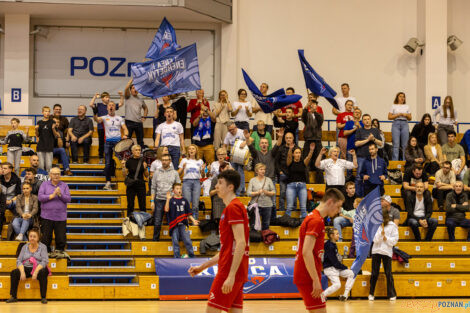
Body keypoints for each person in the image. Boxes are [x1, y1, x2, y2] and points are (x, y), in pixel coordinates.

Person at [188, 170, 249, 313]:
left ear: (230, 187)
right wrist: (202, 267)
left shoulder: (233, 208)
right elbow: (227, 250)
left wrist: (231, 275)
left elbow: (241, 243)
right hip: (234, 268)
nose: (216, 186)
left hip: (229, 270)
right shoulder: (233, 207)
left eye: (220, 183)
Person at [293, 188, 345, 312]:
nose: (338, 211)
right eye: (338, 207)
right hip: (307, 275)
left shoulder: (315, 217)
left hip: (308, 273)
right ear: (330, 202)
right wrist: (315, 280)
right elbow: (306, 252)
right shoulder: (316, 220)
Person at [6, 227, 49, 304]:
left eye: (34, 236)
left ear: (38, 238)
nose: (32, 238)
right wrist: (22, 272)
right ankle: (13, 296)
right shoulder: (24, 247)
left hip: (38, 268)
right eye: (30, 236)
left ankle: (43, 297)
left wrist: (36, 272)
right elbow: (19, 260)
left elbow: (45, 261)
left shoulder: (43, 247)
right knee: (14, 272)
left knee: (43, 272)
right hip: (26, 268)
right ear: (28, 237)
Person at [93, 102, 129, 191]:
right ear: (107, 108)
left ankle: (127, 179)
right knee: (108, 163)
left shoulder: (119, 118)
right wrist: (94, 113)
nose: (111, 106)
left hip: (118, 143)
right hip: (108, 142)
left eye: (113, 105)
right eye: (109, 105)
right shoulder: (105, 118)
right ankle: (108, 182)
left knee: (123, 160)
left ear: (115, 108)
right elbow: (97, 120)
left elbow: (125, 128)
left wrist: (126, 135)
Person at [38, 167, 71, 258]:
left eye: (58, 174)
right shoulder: (44, 185)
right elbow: (40, 197)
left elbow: (68, 199)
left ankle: (60, 252)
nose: (56, 175)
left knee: (60, 237)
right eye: (54, 174)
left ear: (60, 175)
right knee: (46, 237)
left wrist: (60, 194)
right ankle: (46, 252)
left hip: (60, 216)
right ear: (50, 175)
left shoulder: (64, 185)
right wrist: (52, 195)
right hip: (46, 216)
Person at [368, 206, 398, 301]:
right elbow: (374, 239)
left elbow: (395, 240)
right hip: (376, 251)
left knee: (388, 273)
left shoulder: (392, 225)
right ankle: (371, 293)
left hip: (387, 251)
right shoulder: (375, 225)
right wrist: (381, 235)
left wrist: (387, 239)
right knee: (374, 273)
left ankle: (392, 294)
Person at [150, 154, 181, 241]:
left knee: (174, 222)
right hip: (159, 199)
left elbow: (178, 187)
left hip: (171, 200)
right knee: (157, 222)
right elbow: (153, 187)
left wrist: (176, 198)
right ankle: (155, 241)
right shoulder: (156, 172)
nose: (164, 162)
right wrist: (152, 201)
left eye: (166, 160)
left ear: (170, 161)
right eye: (163, 160)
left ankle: (176, 240)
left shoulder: (174, 173)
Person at [165, 183, 199, 258]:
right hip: (174, 225)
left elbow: (188, 213)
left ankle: (192, 257)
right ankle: (177, 258)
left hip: (183, 224)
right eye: (177, 189)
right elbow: (166, 209)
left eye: (180, 188)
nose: (179, 190)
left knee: (188, 241)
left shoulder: (184, 200)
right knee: (175, 242)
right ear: (173, 190)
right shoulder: (171, 200)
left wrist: (193, 220)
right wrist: (167, 199)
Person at [89, 91, 124, 163]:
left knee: (114, 145)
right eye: (106, 97)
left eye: (108, 97)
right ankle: (101, 158)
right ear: (102, 98)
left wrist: (121, 96)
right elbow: (91, 104)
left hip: (111, 128)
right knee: (101, 143)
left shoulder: (112, 106)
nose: (108, 98)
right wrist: (95, 97)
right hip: (101, 127)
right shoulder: (99, 105)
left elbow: (121, 104)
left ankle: (116, 158)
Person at [322, 228, 356, 301]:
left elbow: (336, 262)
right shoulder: (329, 246)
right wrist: (346, 267)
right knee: (337, 285)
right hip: (329, 268)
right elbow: (335, 263)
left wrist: (345, 268)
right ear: (331, 235)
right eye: (337, 234)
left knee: (352, 274)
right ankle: (322, 295)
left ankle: (344, 296)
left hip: (336, 268)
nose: (338, 235)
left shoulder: (333, 244)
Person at [354, 114, 383, 196]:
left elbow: (381, 143)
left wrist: (373, 139)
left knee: (373, 177)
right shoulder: (359, 130)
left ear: (371, 120)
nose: (367, 121)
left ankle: (372, 196)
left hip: (373, 158)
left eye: (368, 119)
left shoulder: (375, 131)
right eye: (365, 119)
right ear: (362, 121)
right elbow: (356, 143)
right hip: (362, 157)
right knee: (359, 177)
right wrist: (368, 140)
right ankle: (358, 197)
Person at [286, 144, 315, 219]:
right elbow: (289, 157)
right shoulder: (290, 162)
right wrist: (290, 149)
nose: (298, 154)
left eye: (299, 153)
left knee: (303, 207)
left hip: (302, 186)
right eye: (296, 153)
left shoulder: (303, 162)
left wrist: (311, 150)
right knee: (289, 206)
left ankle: (305, 224)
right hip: (291, 186)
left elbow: (309, 157)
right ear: (293, 154)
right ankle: (287, 221)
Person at [274, 129, 299, 212]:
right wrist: (280, 172)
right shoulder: (281, 148)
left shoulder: (297, 149)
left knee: (294, 194)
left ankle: (294, 210)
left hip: (293, 175)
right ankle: (281, 210)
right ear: (285, 139)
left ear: (293, 139)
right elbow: (276, 162)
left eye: (290, 138)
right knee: (282, 193)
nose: (288, 139)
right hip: (283, 174)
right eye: (287, 138)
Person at [178, 145, 205, 220]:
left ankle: (195, 221)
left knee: (195, 204)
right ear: (188, 151)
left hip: (197, 182)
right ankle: (185, 221)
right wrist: (183, 168)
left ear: (196, 151)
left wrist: (203, 170)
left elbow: (202, 175)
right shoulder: (184, 160)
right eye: (189, 149)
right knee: (186, 203)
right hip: (186, 182)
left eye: (193, 149)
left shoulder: (200, 161)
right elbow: (179, 173)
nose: (191, 150)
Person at [247, 163, 276, 230]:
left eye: (264, 169)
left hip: (267, 205)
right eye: (261, 169)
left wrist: (267, 192)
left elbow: (274, 192)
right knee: (253, 225)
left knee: (266, 225)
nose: (263, 171)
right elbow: (248, 193)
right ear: (257, 171)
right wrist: (257, 192)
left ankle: (265, 239)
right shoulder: (252, 180)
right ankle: (256, 239)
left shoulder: (268, 180)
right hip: (255, 205)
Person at [122, 145, 148, 217]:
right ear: (132, 151)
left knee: (142, 204)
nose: (138, 151)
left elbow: (146, 175)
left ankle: (143, 220)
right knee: (130, 204)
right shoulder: (129, 161)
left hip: (141, 184)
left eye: (139, 150)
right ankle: (129, 221)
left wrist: (145, 168)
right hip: (131, 184)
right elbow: (124, 175)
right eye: (136, 150)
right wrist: (123, 167)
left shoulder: (143, 160)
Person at [301, 99, 324, 180]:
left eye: (314, 104)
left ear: (317, 106)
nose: (313, 106)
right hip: (308, 140)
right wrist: (305, 108)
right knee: (306, 162)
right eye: (311, 104)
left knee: (319, 162)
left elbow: (320, 122)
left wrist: (315, 112)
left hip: (317, 140)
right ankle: (306, 182)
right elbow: (303, 116)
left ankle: (320, 183)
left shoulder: (319, 114)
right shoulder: (307, 115)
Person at [223, 123, 247, 196]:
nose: (231, 131)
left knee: (240, 172)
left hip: (241, 155)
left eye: (233, 129)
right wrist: (224, 153)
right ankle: (239, 189)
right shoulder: (228, 134)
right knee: (233, 173)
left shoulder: (241, 132)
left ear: (236, 128)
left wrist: (245, 142)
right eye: (230, 130)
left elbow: (251, 140)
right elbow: (224, 145)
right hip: (233, 156)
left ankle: (240, 191)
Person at [124, 80, 148, 148]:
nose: (135, 90)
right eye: (133, 88)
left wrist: (144, 117)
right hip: (129, 122)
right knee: (127, 140)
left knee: (140, 141)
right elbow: (126, 88)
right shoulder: (128, 96)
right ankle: (127, 156)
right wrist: (132, 80)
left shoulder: (141, 99)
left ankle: (140, 156)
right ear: (130, 90)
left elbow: (145, 108)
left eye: (136, 88)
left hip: (138, 123)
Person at [388, 92, 411, 161]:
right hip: (396, 123)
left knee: (405, 145)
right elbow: (389, 117)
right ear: (397, 98)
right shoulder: (393, 106)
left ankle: (405, 161)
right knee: (396, 144)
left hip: (404, 123)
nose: (402, 98)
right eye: (400, 96)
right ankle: (395, 161)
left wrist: (406, 115)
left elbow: (410, 118)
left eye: (403, 97)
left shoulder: (407, 106)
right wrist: (397, 115)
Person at [35, 106, 59, 172]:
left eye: (48, 111)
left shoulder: (52, 122)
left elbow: (56, 135)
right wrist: (36, 129)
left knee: (48, 166)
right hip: (40, 146)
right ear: (42, 112)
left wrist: (53, 129)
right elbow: (37, 135)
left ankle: (48, 181)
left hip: (49, 146)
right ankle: (42, 182)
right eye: (45, 111)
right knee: (41, 166)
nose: (47, 113)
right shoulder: (39, 122)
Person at [0, 162, 22, 230]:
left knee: (17, 203)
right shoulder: (0, 178)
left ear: (10, 170)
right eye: (2, 168)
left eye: (5, 168)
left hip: (11, 201)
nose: (3, 170)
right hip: (1, 201)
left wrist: (11, 201)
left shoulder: (17, 179)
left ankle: (16, 222)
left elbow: (18, 194)